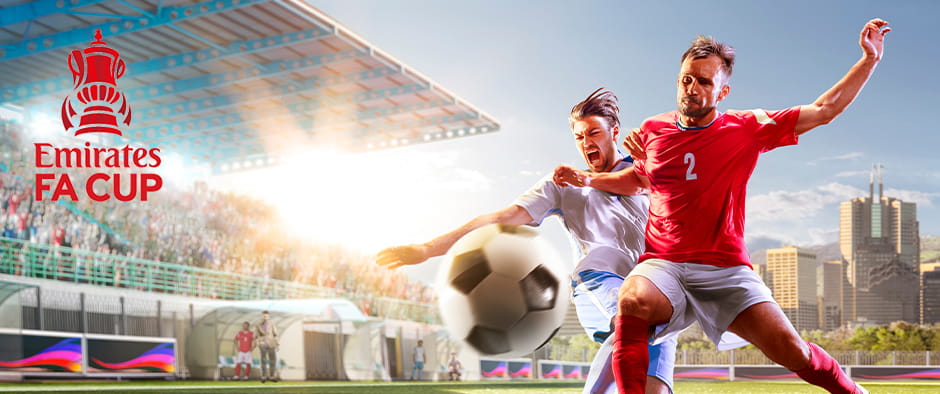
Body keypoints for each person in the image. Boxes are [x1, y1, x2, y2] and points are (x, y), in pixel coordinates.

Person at [553, 19, 890, 394]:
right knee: (631, 302)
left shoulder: (747, 127)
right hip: (663, 264)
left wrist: (869, 60)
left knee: (794, 353)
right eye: (686, 79)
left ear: (723, 91)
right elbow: (638, 181)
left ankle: (855, 391)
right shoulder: (651, 130)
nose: (691, 89)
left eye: (704, 82)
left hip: (724, 268)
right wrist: (588, 179)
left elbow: (824, 109)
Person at [377, 88, 676, 393]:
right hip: (598, 281)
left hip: (654, 290)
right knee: (635, 318)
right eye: (579, 136)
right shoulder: (563, 185)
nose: (587, 143)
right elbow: (500, 219)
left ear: (615, 132)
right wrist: (428, 249)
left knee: (653, 388)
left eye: (594, 133)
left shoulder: (646, 170)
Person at [255, 310, 279, 383]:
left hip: (271, 343)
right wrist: (259, 343)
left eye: (266, 316)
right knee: (263, 361)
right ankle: (263, 376)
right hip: (262, 344)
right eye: (264, 316)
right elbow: (256, 335)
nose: (265, 317)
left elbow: (275, 335)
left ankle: (272, 376)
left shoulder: (272, 324)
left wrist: (277, 344)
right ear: (262, 316)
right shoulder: (258, 325)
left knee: (273, 361)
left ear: (268, 316)